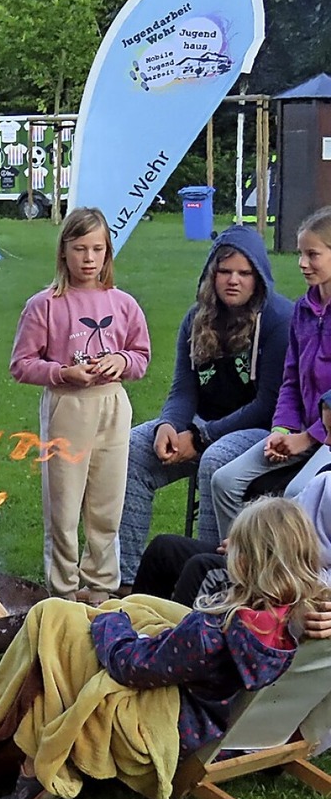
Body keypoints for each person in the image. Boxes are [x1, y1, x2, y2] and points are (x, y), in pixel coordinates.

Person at [0, 497, 327, 799]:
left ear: (242, 563)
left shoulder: (212, 632)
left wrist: (114, 622)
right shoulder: (290, 619)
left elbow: (129, 665)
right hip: (209, 714)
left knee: (51, 616)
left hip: (159, 727)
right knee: (124, 608)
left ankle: (6, 752)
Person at [117, 225, 293, 591]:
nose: (233, 281)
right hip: (203, 425)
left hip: (260, 429)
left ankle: (209, 580)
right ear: (211, 273)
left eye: (244, 273)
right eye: (224, 271)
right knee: (133, 448)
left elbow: (268, 405)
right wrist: (170, 424)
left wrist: (201, 437)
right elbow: (184, 388)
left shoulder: (279, 321)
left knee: (217, 462)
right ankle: (127, 578)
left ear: (259, 276)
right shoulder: (197, 318)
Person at [9, 207, 151, 604]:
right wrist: (60, 373)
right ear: (64, 252)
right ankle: (64, 591)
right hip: (67, 408)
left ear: (108, 254)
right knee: (65, 505)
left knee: (107, 502)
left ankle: (102, 588)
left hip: (112, 407)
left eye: (98, 249)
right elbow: (21, 364)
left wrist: (120, 361)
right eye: (80, 249)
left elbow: (140, 355)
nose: (89, 259)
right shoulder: (45, 305)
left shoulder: (123, 304)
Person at [133, 389, 331, 608]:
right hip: (273, 561)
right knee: (165, 549)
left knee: (203, 569)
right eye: (326, 431)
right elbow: (288, 524)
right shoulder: (324, 479)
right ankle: (135, 628)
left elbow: (312, 570)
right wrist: (250, 541)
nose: (327, 442)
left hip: (294, 583)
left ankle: (183, 639)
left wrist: (265, 555)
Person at [212, 207, 331, 539]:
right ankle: (237, 576)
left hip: (326, 436)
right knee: (225, 481)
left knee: (297, 497)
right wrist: (281, 428)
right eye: (300, 254)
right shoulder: (303, 311)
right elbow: (291, 379)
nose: (302, 263)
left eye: (313, 254)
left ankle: (298, 585)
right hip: (301, 432)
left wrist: (308, 437)